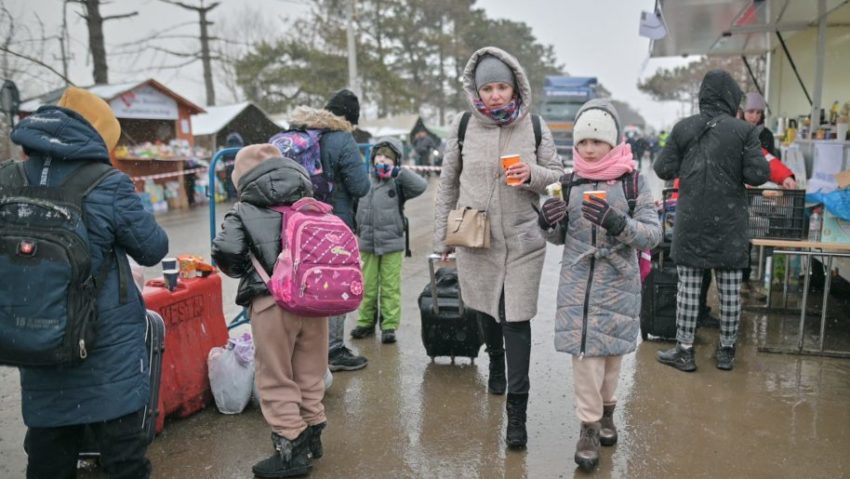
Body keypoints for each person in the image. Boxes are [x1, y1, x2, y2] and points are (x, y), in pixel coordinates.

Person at [8, 86, 169, 478]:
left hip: (36, 334)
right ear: (98, 135)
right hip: (103, 341)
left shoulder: (8, 177)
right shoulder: (107, 183)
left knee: (49, 453)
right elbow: (153, 247)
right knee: (123, 456)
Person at [433, 46, 563, 448]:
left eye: (501, 87)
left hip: (524, 239)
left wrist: (532, 174)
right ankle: (495, 359)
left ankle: (517, 415)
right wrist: (442, 238)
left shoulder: (535, 126)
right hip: (476, 237)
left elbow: (558, 177)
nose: (494, 95)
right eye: (487, 88)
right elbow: (447, 184)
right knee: (485, 308)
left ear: (515, 87)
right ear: (477, 91)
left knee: (516, 319)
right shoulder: (463, 127)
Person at [537, 99, 661, 471]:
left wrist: (617, 223)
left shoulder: (633, 182)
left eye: (597, 142)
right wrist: (548, 221)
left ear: (613, 142)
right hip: (578, 286)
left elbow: (652, 234)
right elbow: (558, 237)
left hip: (619, 284)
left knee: (610, 359)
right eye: (583, 142)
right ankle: (588, 427)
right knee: (586, 360)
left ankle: (607, 412)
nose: (589, 149)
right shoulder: (567, 182)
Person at [212, 144, 327, 478]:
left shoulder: (243, 209)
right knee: (310, 370)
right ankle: (313, 432)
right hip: (314, 300)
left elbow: (227, 251)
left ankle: (291, 448)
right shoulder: (309, 202)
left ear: (242, 178)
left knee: (275, 375)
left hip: (272, 302)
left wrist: (246, 270)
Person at [654, 70, 770, 372]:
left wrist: (689, 163)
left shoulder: (684, 128)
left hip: (691, 220)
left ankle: (684, 350)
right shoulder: (744, 131)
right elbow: (758, 174)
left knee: (689, 289)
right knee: (730, 291)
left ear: (703, 95)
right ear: (732, 98)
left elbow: (663, 168)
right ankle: (726, 351)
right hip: (729, 223)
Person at [288, 89, 371, 372]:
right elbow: (361, 186)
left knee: (302, 280)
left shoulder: (299, 134)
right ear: (349, 118)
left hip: (297, 222)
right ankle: (333, 350)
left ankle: (301, 347)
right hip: (333, 223)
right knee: (334, 283)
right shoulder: (342, 138)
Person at [350, 137, 427, 344]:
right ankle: (366, 322)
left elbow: (421, 186)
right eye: (379, 156)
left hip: (392, 243)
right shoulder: (364, 180)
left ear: (396, 161)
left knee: (390, 287)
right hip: (366, 242)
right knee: (367, 286)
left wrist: (399, 173)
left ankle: (389, 326)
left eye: (387, 157)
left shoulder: (398, 182)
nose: (382, 160)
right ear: (372, 158)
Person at [743, 92, 780, 158]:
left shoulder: (767, 135)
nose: (754, 117)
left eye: (758, 112)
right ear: (743, 112)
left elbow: (771, 159)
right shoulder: (734, 132)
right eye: (750, 111)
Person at [222, 131, 244, 200]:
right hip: (238, 165)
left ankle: (231, 195)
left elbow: (224, 157)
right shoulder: (239, 146)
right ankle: (240, 194)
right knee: (239, 180)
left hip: (229, 166)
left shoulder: (227, 147)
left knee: (230, 181)